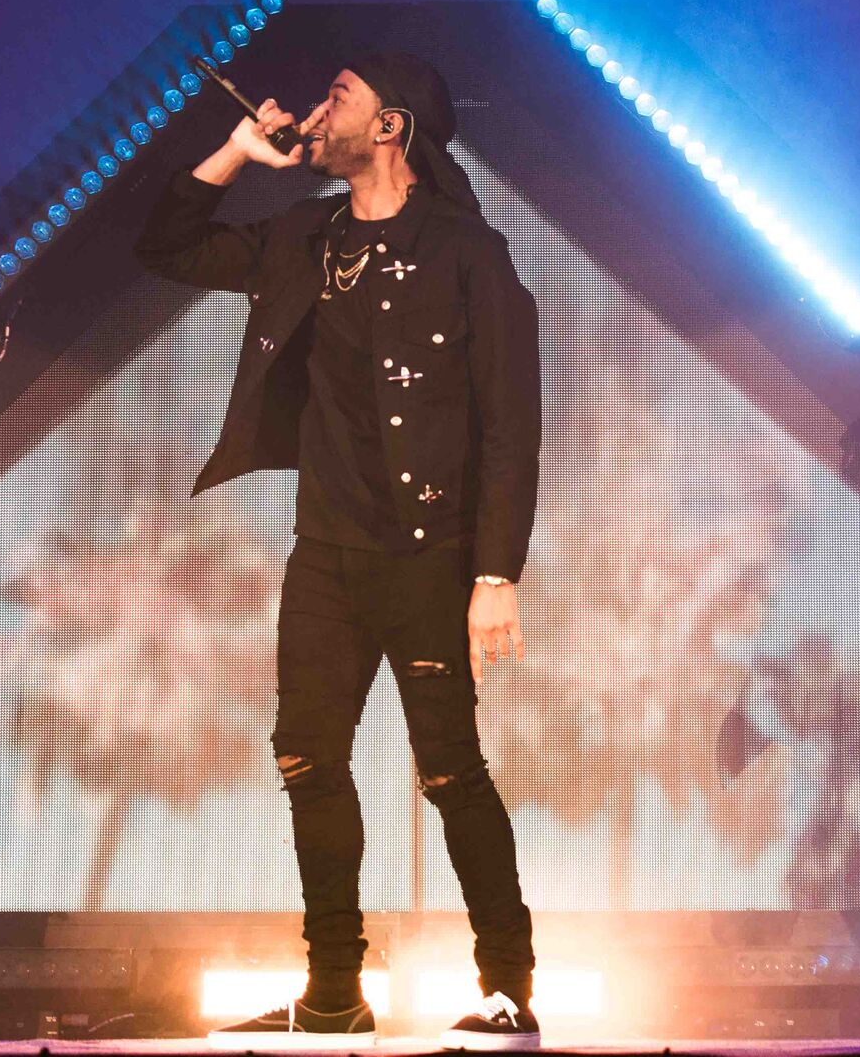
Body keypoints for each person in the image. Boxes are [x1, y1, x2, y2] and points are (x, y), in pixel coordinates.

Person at [134, 51, 544, 1051]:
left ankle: (506, 987)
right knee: (307, 758)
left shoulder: (467, 252)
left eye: (338, 98)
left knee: (450, 771)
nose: (316, 112)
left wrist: (495, 573)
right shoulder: (302, 238)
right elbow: (166, 245)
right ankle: (332, 992)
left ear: (390, 126)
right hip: (325, 553)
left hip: (430, 555)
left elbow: (510, 424)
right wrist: (237, 151)